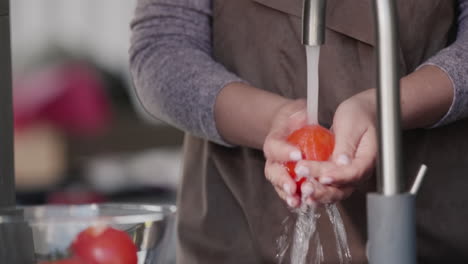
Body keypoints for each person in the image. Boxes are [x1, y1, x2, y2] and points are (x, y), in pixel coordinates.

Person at [130, 0, 468, 263]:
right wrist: (274, 121)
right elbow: (161, 46)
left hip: (428, 231)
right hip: (238, 229)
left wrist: (387, 108)